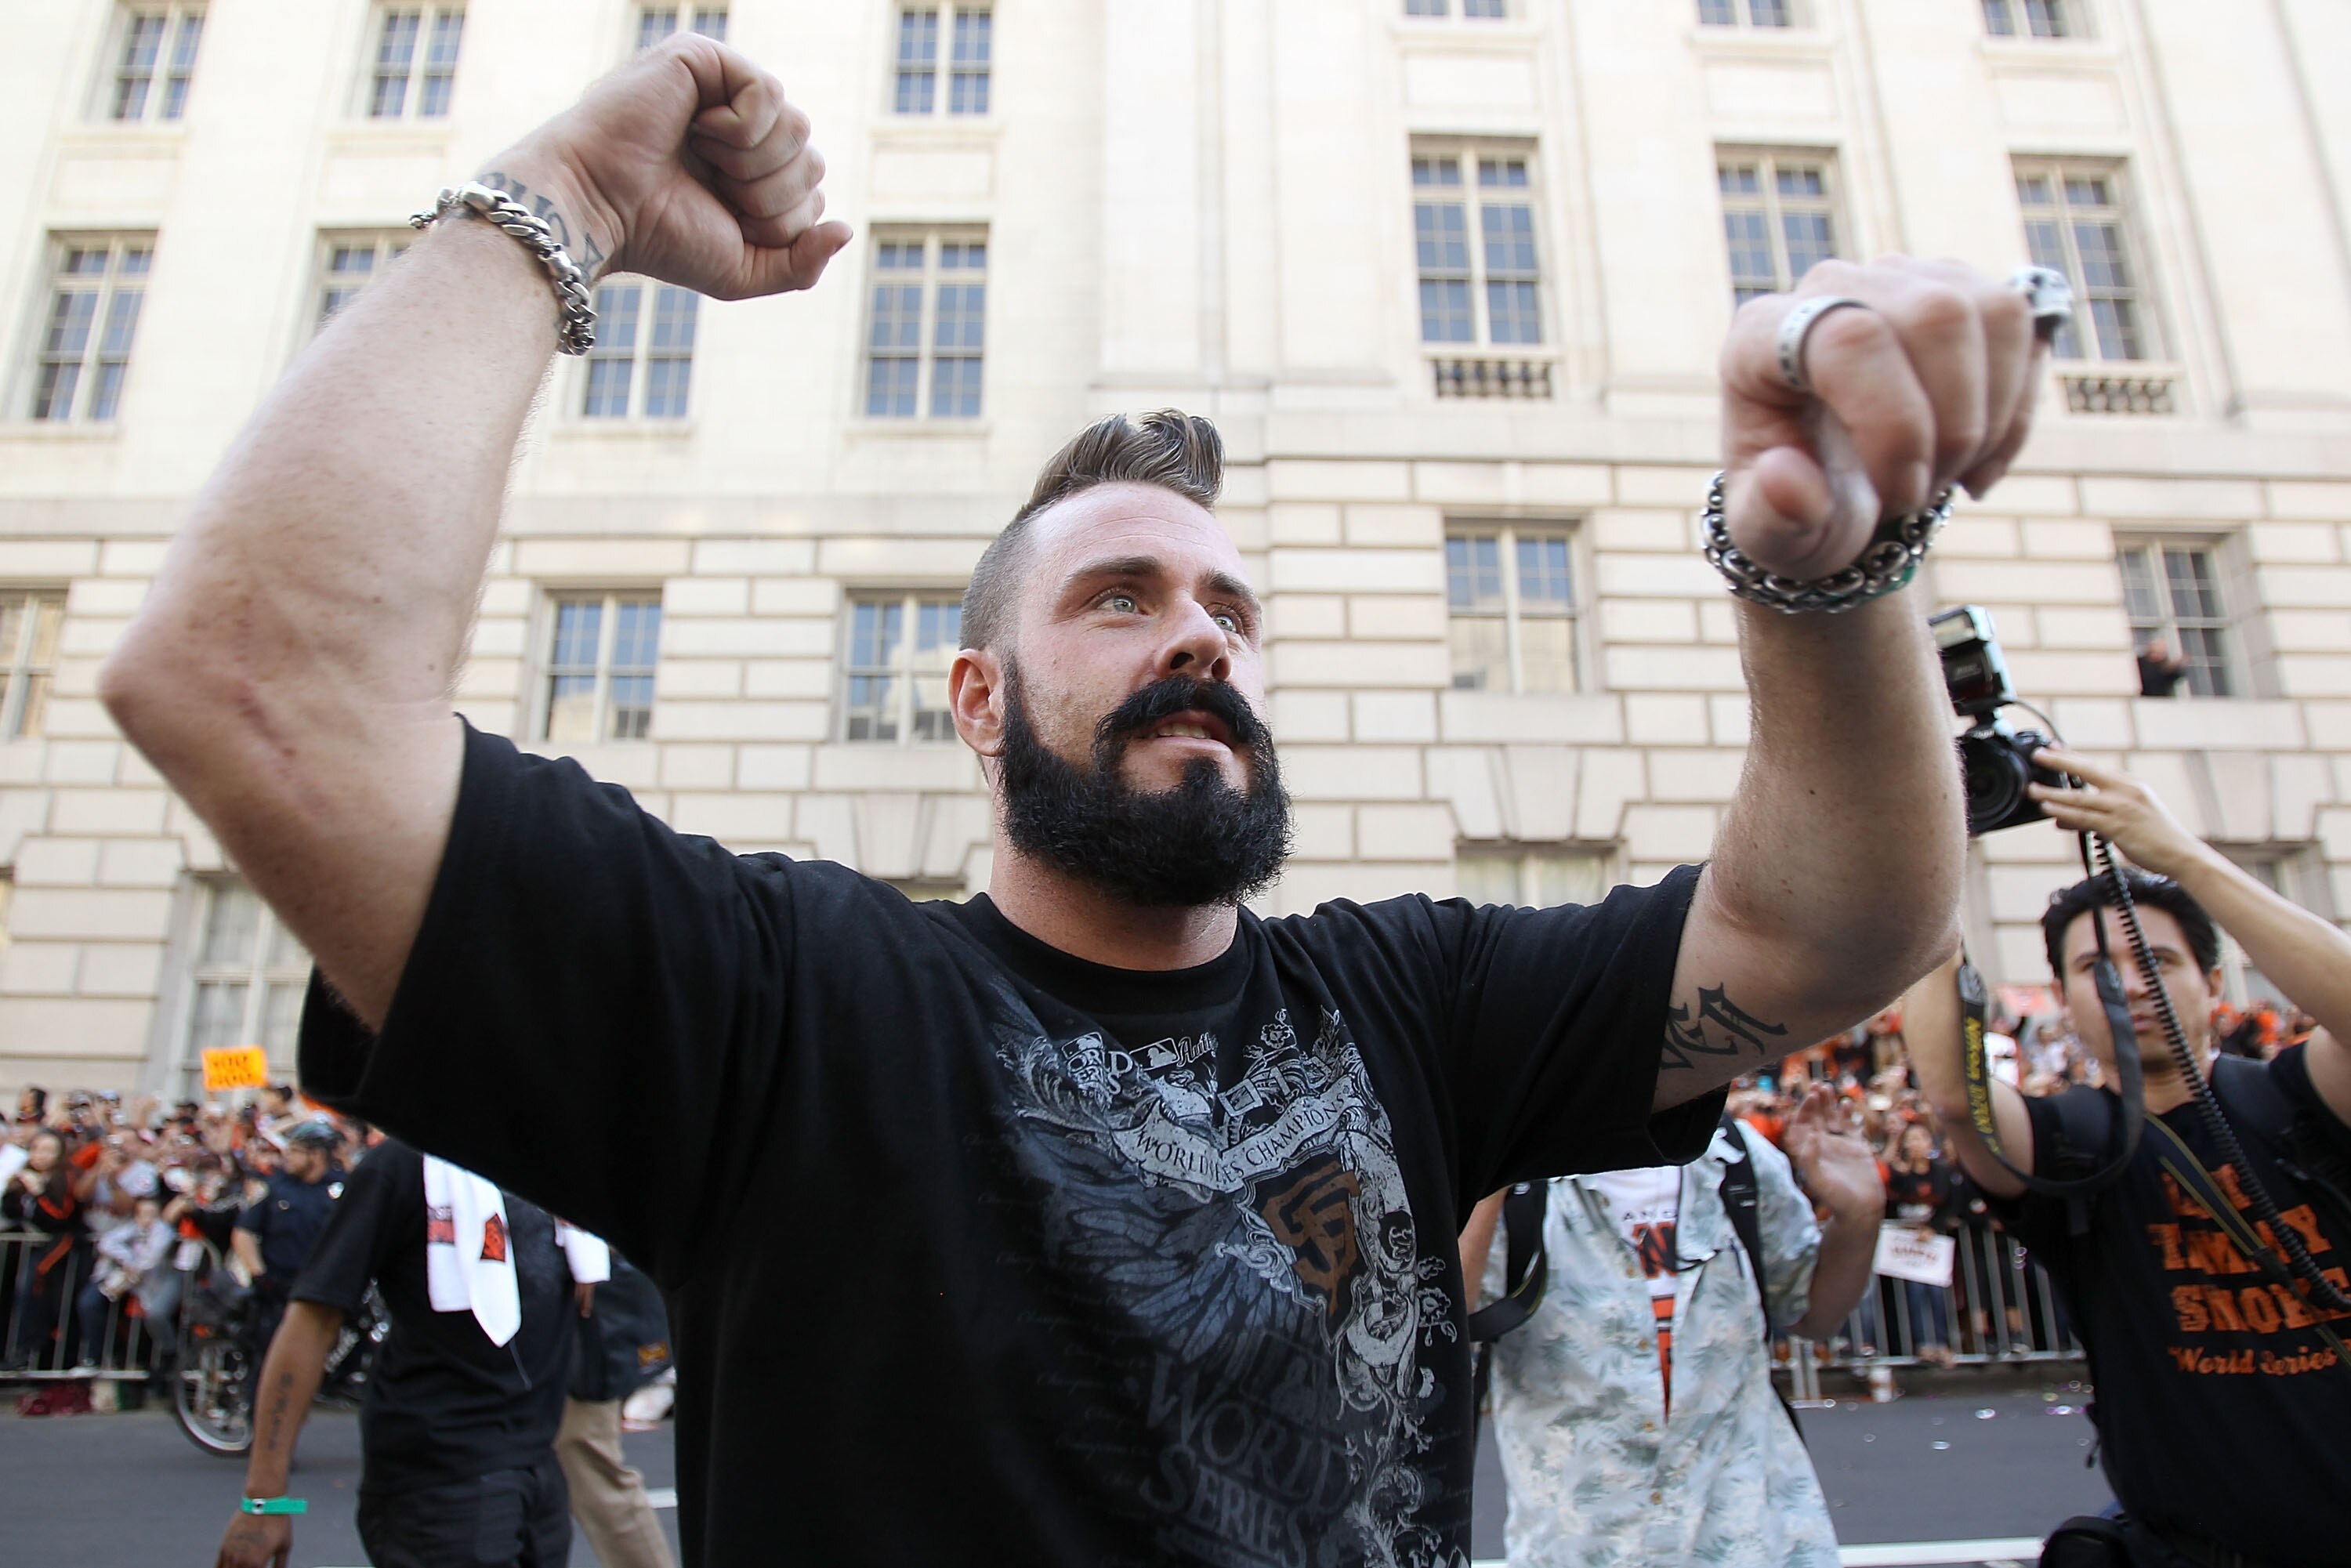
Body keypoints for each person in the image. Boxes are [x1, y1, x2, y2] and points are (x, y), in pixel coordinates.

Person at [104, 31, 2047, 1565]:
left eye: (1227, 603)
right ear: (976, 694)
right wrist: (571, 191)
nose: (1193, 634)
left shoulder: (1409, 1007)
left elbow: (1837, 927)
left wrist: (1824, 566)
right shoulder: (782, 1002)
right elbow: (256, 680)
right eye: (1116, 596)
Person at [1906, 749, 2351, 1568]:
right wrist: (1932, 851)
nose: (2131, 985)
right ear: (2065, 1002)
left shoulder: (2302, 1097)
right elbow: (1951, 1094)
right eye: (2094, 970)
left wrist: (2178, 853)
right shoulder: (2073, 1141)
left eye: (2160, 961)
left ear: (2215, 983)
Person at [1460, 1085, 1883, 1566]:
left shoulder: (1738, 1159)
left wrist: (1859, 1216)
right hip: (1585, 1546)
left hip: (1752, 1540)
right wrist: (1493, 1157)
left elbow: (1813, 1314)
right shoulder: (1522, 1183)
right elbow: (1441, 1325)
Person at [215, 1139, 586, 1568]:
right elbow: (313, 1322)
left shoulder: (562, 1168)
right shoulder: (403, 1163)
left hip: (538, 1470)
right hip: (442, 1484)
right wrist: (266, 1503)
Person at [231, 1118, 343, 1409]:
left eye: (294, 1151)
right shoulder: (275, 1188)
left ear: (316, 1155)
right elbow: (244, 1233)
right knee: (270, 1361)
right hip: (278, 1288)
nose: (287, 1157)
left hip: (321, 1290)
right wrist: (259, 1275)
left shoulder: (342, 1189)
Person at [3, 1128, 91, 1371]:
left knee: (30, 1289)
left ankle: (26, 1349)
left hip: (58, 1249)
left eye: (48, 1150)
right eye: (37, 1149)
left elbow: (59, 1217)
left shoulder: (64, 1178)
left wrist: (39, 1192)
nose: (41, 1156)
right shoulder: (22, 1176)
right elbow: (12, 1212)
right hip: (24, 1247)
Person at [72, 1192, 179, 1375]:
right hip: (122, 1280)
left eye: (151, 1214)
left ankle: (161, 1362)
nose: (146, 1220)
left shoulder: (163, 1231)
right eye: (142, 1214)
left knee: (151, 1318)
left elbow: (152, 1258)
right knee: (89, 1303)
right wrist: (127, 1260)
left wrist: (134, 1267)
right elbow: (107, 1242)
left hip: (152, 1284)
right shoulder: (130, 1229)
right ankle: (98, 1355)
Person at [1881, 1121, 1959, 1367]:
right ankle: (1921, 1343)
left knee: (1937, 1294)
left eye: (1920, 1139)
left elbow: (1951, 1203)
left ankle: (1943, 1343)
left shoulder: (1942, 1172)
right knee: (1912, 1295)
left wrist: (1933, 1227)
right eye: (1911, 1139)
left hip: (1932, 1244)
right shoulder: (1901, 1175)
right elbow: (1883, 1182)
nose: (1915, 1144)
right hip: (1903, 1243)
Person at [2134, 635, 2188, 699]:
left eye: (2161, 652)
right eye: (2155, 651)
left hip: (2160, 700)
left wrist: (2175, 667)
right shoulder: (2140, 662)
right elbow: (2147, 679)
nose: (2157, 654)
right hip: (2144, 699)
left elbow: (2178, 676)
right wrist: (2165, 669)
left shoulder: (2164, 665)